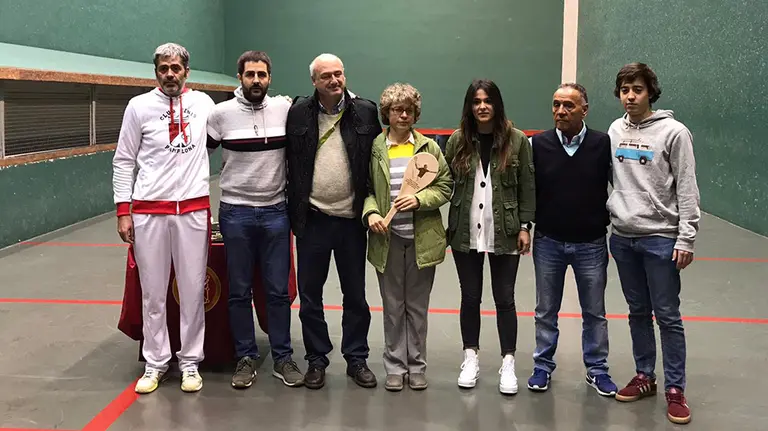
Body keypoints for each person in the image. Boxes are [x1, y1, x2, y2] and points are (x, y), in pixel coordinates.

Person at [112, 42, 214, 394]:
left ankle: (190, 362)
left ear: (187, 71)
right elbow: (124, 160)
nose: (170, 74)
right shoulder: (138, 106)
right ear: (156, 72)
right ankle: (155, 363)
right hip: (148, 213)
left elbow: (234, 120)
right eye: (163, 69)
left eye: (176, 68)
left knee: (193, 289)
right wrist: (123, 210)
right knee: (153, 293)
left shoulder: (204, 104)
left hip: (193, 211)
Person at [607, 62, 700, 425]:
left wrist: (686, 237)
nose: (630, 96)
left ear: (651, 93)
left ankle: (675, 388)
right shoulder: (615, 130)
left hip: (661, 238)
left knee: (668, 316)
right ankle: (645, 375)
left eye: (637, 90)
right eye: (625, 90)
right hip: (623, 238)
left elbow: (687, 187)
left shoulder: (674, 132)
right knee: (637, 312)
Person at [206, 51, 303, 389]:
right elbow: (196, 158)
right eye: (250, 75)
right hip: (235, 213)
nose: (256, 80)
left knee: (277, 291)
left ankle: (283, 357)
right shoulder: (220, 114)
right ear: (240, 78)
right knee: (238, 290)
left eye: (262, 75)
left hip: (276, 212)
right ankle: (245, 356)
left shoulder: (283, 109)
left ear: (270, 78)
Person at [285, 53, 380, 389]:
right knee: (310, 297)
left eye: (338, 74)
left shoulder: (366, 111)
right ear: (314, 81)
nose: (334, 80)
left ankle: (357, 358)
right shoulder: (298, 112)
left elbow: (375, 163)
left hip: (351, 222)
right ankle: (316, 360)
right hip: (312, 220)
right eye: (326, 76)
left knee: (355, 295)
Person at [444, 79, 535, 395]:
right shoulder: (457, 140)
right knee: (470, 298)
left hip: (505, 231)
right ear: (469, 106)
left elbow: (527, 187)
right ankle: (470, 358)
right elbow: (445, 183)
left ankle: (508, 363)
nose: (482, 107)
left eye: (487, 101)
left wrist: (525, 226)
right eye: (476, 101)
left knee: (504, 299)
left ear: (497, 104)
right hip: (465, 231)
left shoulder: (517, 140)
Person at [526, 83, 617, 396]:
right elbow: (528, 190)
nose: (561, 111)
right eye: (556, 105)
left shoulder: (603, 144)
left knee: (594, 312)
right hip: (548, 242)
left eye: (569, 106)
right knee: (545, 311)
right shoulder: (538, 144)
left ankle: (597, 369)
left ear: (584, 110)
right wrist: (525, 225)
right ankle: (542, 366)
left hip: (591, 244)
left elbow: (620, 186)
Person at [363, 83, 452, 392]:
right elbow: (367, 189)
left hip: (422, 240)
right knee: (392, 307)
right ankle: (395, 367)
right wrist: (371, 213)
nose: (403, 115)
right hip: (386, 240)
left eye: (409, 110)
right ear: (386, 113)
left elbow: (445, 186)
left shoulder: (429, 148)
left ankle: (417, 366)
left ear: (416, 114)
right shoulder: (375, 148)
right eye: (397, 110)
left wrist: (419, 200)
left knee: (416, 308)